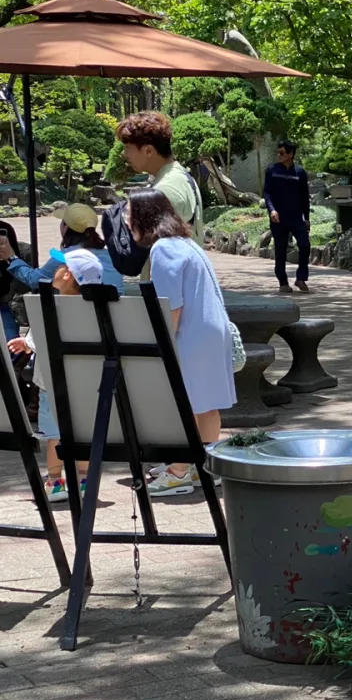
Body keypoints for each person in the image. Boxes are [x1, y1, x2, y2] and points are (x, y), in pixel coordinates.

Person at [127, 189, 235, 497]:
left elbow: (170, 305)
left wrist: (161, 344)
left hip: (189, 334)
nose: (126, 220)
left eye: (130, 214)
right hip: (211, 330)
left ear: (145, 216)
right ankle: (204, 465)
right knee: (206, 404)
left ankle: (177, 472)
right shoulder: (185, 243)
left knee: (180, 405)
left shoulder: (163, 249)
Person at [7, 249, 101, 503]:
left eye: (59, 266)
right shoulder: (93, 310)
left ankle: (56, 482)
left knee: (53, 436)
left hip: (51, 385)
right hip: (86, 385)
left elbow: (40, 339)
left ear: (67, 274)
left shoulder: (52, 308)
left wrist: (26, 343)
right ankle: (85, 481)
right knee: (84, 435)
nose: (54, 270)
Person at [116, 112, 205, 248]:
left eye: (128, 147)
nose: (124, 154)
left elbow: (160, 249)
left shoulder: (166, 188)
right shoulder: (178, 175)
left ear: (148, 151)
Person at [0, 203, 123, 292]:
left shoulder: (65, 258)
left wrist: (11, 257)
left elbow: (34, 280)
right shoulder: (112, 257)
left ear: (66, 228)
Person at [263, 140, 311, 293]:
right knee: (280, 249)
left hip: (296, 217)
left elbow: (304, 197)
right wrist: (272, 210)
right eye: (278, 152)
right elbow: (267, 193)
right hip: (278, 218)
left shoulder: (300, 173)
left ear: (290, 154)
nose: (279, 155)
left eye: (282, 153)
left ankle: (301, 278)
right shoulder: (272, 170)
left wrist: (307, 218)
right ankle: (283, 282)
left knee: (304, 244)